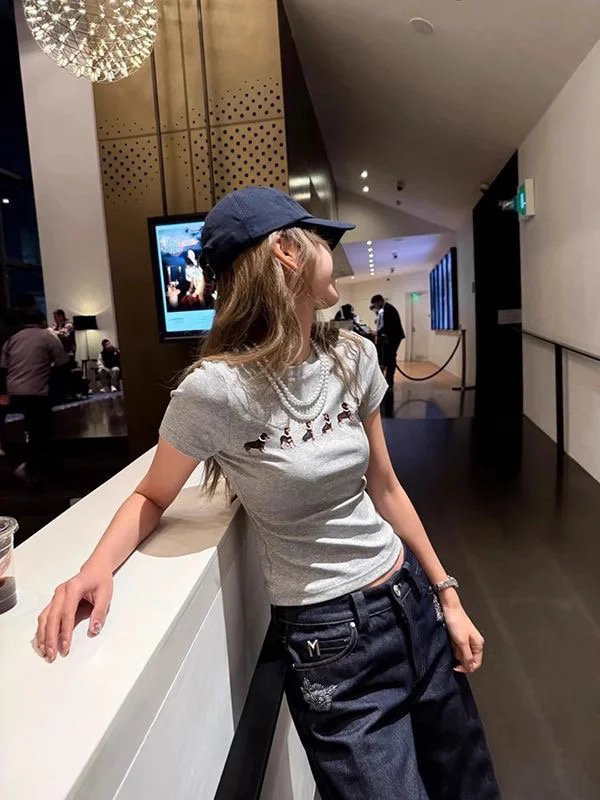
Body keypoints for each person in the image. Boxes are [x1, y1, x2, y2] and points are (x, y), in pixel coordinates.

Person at [35, 187, 499, 799]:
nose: (335, 254)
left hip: (410, 601)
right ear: (286, 251)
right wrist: (95, 568)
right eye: (320, 241)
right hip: (333, 643)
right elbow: (151, 496)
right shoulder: (215, 390)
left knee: (471, 788)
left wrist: (447, 594)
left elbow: (386, 488)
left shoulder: (353, 356)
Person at [0, 309, 68, 484]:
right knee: (41, 427)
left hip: (13, 390)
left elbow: (3, 366)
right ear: (42, 321)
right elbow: (62, 362)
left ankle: (20, 457)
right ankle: (33, 464)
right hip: (37, 391)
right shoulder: (47, 337)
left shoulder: (12, 339)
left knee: (29, 424)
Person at [370, 293, 405, 389]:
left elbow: (386, 326)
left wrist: (377, 333)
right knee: (389, 358)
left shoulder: (387, 309)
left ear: (380, 301)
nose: (375, 306)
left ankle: (389, 381)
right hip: (393, 336)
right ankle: (388, 381)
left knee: (391, 358)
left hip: (394, 337)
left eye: (375, 304)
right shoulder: (385, 309)